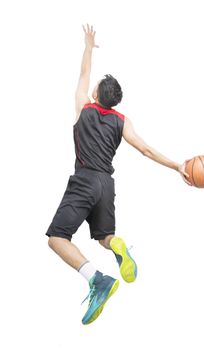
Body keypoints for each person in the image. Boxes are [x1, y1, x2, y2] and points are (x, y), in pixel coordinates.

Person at [45, 24, 190, 325]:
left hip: (84, 180)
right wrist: (177, 166)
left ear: (96, 93)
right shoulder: (122, 122)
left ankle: (97, 279)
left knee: (57, 238)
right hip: (106, 185)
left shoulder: (84, 107)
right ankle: (117, 246)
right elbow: (146, 150)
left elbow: (83, 73)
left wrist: (88, 46)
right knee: (104, 237)